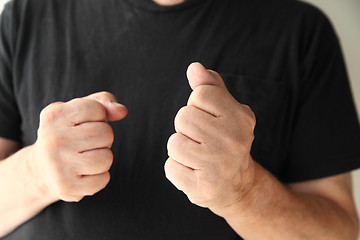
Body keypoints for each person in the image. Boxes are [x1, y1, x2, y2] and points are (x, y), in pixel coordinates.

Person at [0, 0, 359, 239]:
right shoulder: (24, 17)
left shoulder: (301, 31)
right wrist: (36, 173)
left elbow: (341, 231)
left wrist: (244, 192)